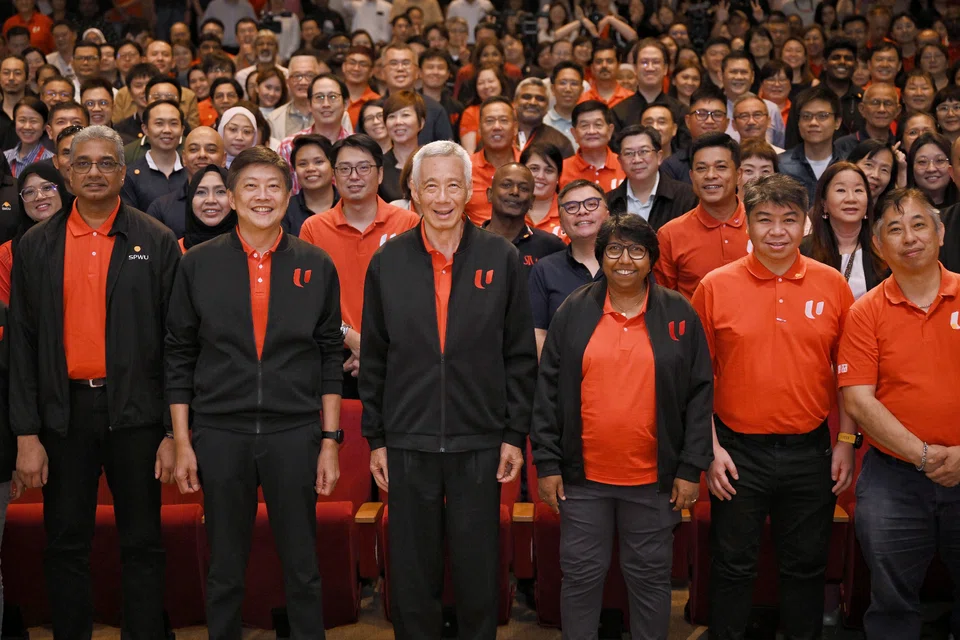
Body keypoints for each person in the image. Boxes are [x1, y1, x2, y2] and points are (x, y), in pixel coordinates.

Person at [8, 124, 180, 640]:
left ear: (123, 171)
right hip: (64, 416)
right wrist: (26, 433)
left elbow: (177, 343)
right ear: (65, 171)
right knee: (65, 542)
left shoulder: (156, 238)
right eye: (83, 163)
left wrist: (174, 432)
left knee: (143, 543)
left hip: (139, 416)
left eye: (107, 162)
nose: (95, 172)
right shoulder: (35, 245)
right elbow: (21, 345)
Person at [359, 139, 536, 640]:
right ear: (412, 193)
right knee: (412, 575)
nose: (442, 196)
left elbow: (519, 356)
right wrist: (376, 438)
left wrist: (511, 434)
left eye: (452, 184)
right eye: (430, 185)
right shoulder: (388, 263)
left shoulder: (500, 258)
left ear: (469, 191)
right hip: (408, 440)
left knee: (480, 571)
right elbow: (373, 357)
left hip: (479, 439)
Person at [166, 145, 341, 639]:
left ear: (290, 195)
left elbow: (330, 355)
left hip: (295, 432)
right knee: (224, 568)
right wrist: (182, 440)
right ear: (231, 197)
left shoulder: (316, 263)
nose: (263, 197)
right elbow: (178, 353)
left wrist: (330, 440)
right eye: (250, 187)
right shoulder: (196, 264)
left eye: (273, 187)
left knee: (303, 568)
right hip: (221, 433)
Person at [532, 213, 712, 640]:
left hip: (655, 481)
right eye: (614, 249)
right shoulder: (573, 311)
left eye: (636, 250)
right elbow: (547, 392)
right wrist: (546, 462)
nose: (624, 259)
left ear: (651, 260)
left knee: (650, 580)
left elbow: (700, 393)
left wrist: (690, 468)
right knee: (580, 577)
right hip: (582, 479)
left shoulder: (678, 313)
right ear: (601, 257)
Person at [692, 173, 856, 640]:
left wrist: (845, 441)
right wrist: (710, 447)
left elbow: (849, 378)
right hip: (736, 452)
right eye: (764, 219)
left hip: (810, 451)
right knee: (732, 565)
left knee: (805, 566)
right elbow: (697, 378)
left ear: (807, 224)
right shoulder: (714, 286)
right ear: (748, 223)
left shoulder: (833, 286)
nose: (777, 231)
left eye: (789, 219)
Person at [839, 188, 960, 640]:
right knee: (890, 601)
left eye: (918, 224)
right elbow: (859, 401)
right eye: (894, 228)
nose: (908, 237)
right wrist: (925, 456)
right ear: (878, 246)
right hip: (894, 476)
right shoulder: (864, 311)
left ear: (940, 232)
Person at [300, 134, 420, 400]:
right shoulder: (313, 228)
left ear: (379, 175)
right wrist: (352, 339)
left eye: (363, 167)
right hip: (334, 355)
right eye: (344, 168)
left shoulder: (409, 224)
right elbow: (308, 301)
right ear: (334, 176)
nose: (354, 176)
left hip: (396, 353)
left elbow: (417, 296)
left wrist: (373, 347)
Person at [656, 133, 747, 300]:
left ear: (739, 175)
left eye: (720, 167)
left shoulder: (763, 226)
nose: (710, 175)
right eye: (701, 168)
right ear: (691, 176)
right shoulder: (670, 234)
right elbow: (664, 303)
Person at [529, 179, 609, 356]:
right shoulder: (545, 270)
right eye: (571, 207)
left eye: (591, 204)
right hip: (562, 377)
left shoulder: (628, 263)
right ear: (562, 223)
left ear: (608, 214)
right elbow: (538, 333)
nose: (582, 211)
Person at [802, 162, 887, 300]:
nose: (851, 199)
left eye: (858, 190)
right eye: (841, 190)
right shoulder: (803, 251)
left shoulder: (883, 251)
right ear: (824, 204)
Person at [607, 125, 697, 230]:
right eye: (629, 153)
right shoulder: (609, 201)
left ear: (659, 157)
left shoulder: (687, 196)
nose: (637, 160)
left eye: (643, 151)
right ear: (620, 162)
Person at [0, 164, 67, 304]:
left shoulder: (86, 239)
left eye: (47, 187)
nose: (39, 197)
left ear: (61, 190)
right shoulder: (7, 254)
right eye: (29, 192)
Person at [482, 163, 565, 274]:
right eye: (506, 185)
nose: (515, 192)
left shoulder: (551, 246)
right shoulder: (467, 242)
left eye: (523, 188)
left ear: (532, 201)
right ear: (490, 194)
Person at [146, 126, 226, 238]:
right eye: (194, 149)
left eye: (211, 150)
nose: (202, 155)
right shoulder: (161, 208)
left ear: (224, 159)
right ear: (184, 158)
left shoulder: (237, 206)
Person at [778, 85, 843, 204]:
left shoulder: (847, 164)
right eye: (806, 116)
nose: (813, 122)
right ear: (798, 122)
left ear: (837, 122)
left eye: (822, 116)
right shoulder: (780, 164)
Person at [120, 100, 188, 213]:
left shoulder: (192, 171)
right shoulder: (130, 176)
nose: (167, 130)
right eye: (159, 123)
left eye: (174, 123)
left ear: (182, 130)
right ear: (145, 129)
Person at [464, 96, 520, 225]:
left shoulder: (529, 165)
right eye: (489, 121)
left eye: (504, 120)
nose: (497, 127)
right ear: (479, 129)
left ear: (515, 127)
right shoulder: (465, 168)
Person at [661, 84, 729, 185]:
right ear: (688, 121)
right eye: (701, 114)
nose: (709, 121)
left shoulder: (738, 161)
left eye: (717, 115)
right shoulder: (671, 166)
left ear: (727, 122)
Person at [611, 39, 682, 133]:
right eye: (644, 62)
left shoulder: (680, 111)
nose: (650, 68)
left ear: (665, 68)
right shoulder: (618, 112)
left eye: (656, 62)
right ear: (635, 68)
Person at [560, 100, 624, 191]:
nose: (591, 131)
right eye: (584, 126)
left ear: (610, 131)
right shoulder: (561, 169)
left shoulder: (625, 165)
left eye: (598, 125)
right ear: (574, 134)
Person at [284, 135, 339, 236]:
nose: (311, 168)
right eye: (303, 164)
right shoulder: (285, 210)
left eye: (318, 162)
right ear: (294, 170)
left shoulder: (349, 205)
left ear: (333, 166)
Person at [379, 91, 424, 204]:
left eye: (405, 115)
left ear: (421, 123)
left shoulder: (432, 162)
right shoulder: (378, 166)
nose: (398, 122)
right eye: (392, 116)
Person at [179, 164, 236, 252]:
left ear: (233, 198)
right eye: (201, 192)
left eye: (220, 192)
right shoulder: (175, 249)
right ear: (190, 199)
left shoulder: (251, 249)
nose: (211, 200)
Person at [513, 78, 574, 159]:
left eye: (540, 99)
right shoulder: (502, 134)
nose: (533, 102)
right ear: (515, 102)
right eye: (526, 97)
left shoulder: (560, 142)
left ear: (547, 106)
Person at [907, 131, 959, 210]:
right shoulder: (902, 208)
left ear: (952, 167)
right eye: (922, 162)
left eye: (940, 160)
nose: (931, 169)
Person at [4, 97, 53, 177]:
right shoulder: (5, 157)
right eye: (22, 120)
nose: (27, 127)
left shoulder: (52, 161)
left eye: (33, 121)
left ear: (44, 125)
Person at [847, 139, 903, 207]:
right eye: (869, 165)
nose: (875, 175)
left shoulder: (889, 215)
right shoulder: (833, 208)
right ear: (852, 164)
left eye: (884, 170)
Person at [543, 61, 585, 152]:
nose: (568, 89)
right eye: (563, 83)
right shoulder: (543, 123)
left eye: (574, 84)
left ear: (582, 90)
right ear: (553, 89)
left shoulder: (588, 125)